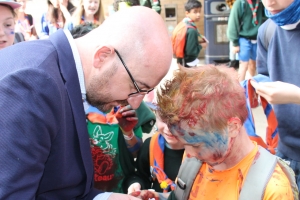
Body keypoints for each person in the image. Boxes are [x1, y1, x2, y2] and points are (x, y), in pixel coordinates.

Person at [0, 6, 172, 200]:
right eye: (137, 86)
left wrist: (106, 198)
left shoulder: (58, 78)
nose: (135, 102)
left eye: (145, 92)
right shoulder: (32, 84)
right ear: (103, 56)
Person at [131, 65, 296, 199]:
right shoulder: (194, 160)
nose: (189, 153)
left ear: (232, 127)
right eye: (185, 143)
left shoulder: (272, 189)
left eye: (195, 144)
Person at [256, 0, 300, 190]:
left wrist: (296, 95)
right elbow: (264, 75)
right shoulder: (267, 30)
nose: (269, 2)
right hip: (282, 151)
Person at [127, 110, 184, 194]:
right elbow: (140, 175)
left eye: (177, 122)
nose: (168, 129)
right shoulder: (150, 145)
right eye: (163, 120)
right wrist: (136, 183)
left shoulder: (200, 155)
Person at [227, 0, 266, 81]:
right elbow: (233, 22)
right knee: (243, 64)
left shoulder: (261, 2)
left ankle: (250, 85)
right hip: (244, 38)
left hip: (257, 38)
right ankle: (239, 88)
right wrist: (235, 43)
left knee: (254, 64)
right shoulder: (241, 3)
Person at [176, 0, 207, 68]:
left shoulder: (184, 24)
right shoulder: (192, 30)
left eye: (199, 11)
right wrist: (201, 45)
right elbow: (191, 52)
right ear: (187, 13)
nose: (198, 14)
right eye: (195, 12)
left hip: (182, 60)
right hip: (189, 63)